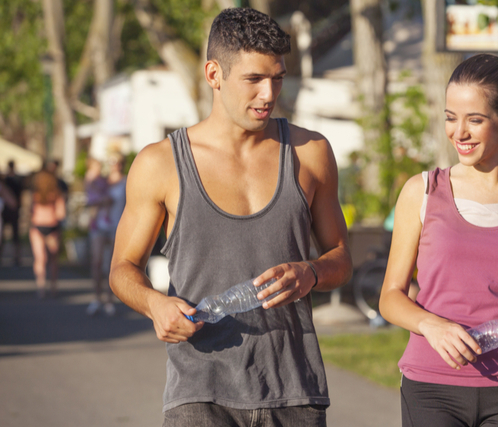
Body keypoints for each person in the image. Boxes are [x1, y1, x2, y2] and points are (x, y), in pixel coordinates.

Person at [109, 8, 352, 426]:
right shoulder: (160, 163)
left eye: (277, 77)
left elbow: (342, 258)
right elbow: (121, 269)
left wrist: (311, 273)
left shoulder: (311, 152)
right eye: (254, 79)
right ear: (213, 74)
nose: (268, 94)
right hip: (200, 393)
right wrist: (155, 304)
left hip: (294, 390)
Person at [378, 54, 498, 427]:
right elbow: (390, 297)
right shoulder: (422, 191)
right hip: (430, 387)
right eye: (451, 118)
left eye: (475, 120)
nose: (459, 133)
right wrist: (432, 325)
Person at [86, 155, 126, 316]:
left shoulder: (127, 181)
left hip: (117, 226)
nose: (114, 165)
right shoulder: (100, 181)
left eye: (116, 162)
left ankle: (110, 301)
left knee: (113, 265)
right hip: (99, 226)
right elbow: (89, 200)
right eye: (111, 162)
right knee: (96, 262)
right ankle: (97, 298)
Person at [29, 168, 66, 298]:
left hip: (38, 226)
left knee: (40, 258)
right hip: (51, 227)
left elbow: (30, 212)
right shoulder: (56, 194)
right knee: (52, 259)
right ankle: (53, 286)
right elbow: (61, 214)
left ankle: (41, 287)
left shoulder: (35, 194)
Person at [2, 160, 24, 266]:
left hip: (7, 209)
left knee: (5, 235)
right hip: (13, 209)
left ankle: (14, 257)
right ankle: (17, 258)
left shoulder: (5, 180)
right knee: (15, 235)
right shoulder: (17, 179)